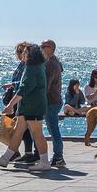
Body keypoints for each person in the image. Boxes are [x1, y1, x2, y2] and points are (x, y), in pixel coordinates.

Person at [0, 44, 51, 171]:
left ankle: (44, 161)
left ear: (30, 55)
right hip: (29, 106)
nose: (23, 54)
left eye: (25, 52)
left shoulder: (32, 68)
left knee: (37, 133)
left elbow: (24, 88)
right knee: (18, 131)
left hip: (32, 106)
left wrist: (10, 105)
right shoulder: (37, 66)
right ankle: (5, 158)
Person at [2, 42, 33, 162]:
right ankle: (17, 152)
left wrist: (11, 85)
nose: (20, 54)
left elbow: (23, 83)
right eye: (18, 51)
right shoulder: (21, 65)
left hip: (22, 100)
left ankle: (23, 152)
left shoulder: (28, 66)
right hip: (16, 99)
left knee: (22, 127)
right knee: (17, 126)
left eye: (22, 51)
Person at [41, 39, 65, 167]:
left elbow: (46, 85)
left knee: (53, 129)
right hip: (54, 100)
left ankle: (58, 156)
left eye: (43, 46)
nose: (41, 48)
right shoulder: (53, 62)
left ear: (50, 48)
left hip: (51, 101)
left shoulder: (50, 64)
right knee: (53, 128)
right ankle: (58, 156)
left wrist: (40, 99)